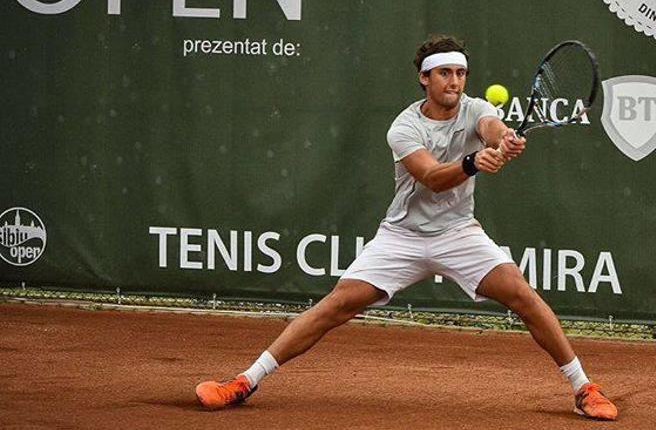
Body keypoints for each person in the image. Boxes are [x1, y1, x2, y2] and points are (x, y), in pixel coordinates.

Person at [195, 35, 618, 420]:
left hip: (458, 233)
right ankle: (244, 381)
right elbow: (433, 177)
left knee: (521, 294)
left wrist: (503, 139)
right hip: (403, 236)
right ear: (424, 78)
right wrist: (473, 162)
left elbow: (491, 128)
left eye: (460, 73)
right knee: (337, 305)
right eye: (445, 73)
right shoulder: (404, 127)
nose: (455, 81)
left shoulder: (476, 109)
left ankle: (584, 388)